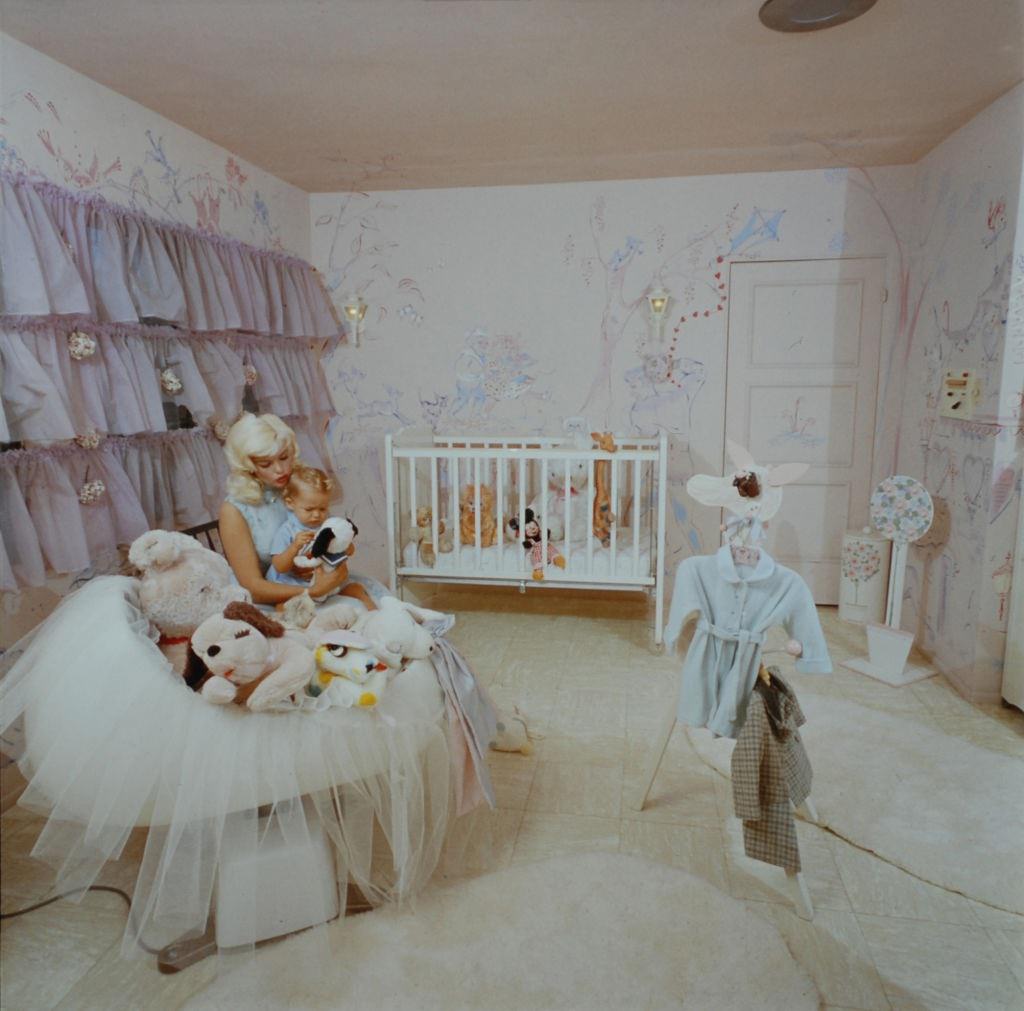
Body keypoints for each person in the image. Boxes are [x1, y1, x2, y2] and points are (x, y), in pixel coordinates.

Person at [219, 413, 375, 606]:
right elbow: (253, 587)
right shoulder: (234, 510)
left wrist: (331, 569)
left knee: (370, 605)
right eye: (266, 463)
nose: (280, 469)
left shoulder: (300, 486)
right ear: (248, 465)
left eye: (284, 457)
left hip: (317, 582)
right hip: (272, 598)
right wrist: (313, 590)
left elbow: (331, 539)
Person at [267, 463, 376, 609]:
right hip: (294, 583)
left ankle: (373, 613)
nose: (317, 515)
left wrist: (345, 545)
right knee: (282, 606)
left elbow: (349, 550)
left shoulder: (328, 526)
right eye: (309, 509)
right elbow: (279, 566)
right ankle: (302, 625)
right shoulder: (287, 530)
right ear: (290, 503)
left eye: (322, 508)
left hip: (324, 579)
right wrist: (295, 547)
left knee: (354, 587)